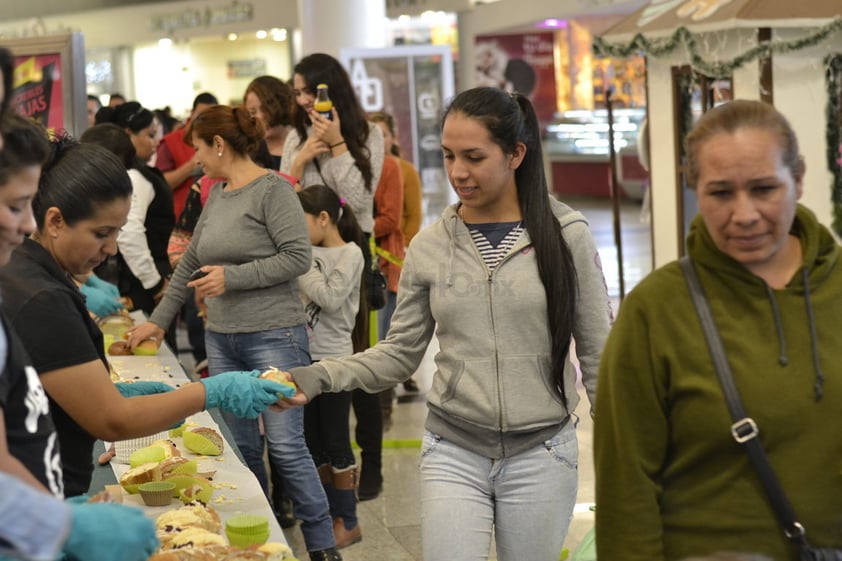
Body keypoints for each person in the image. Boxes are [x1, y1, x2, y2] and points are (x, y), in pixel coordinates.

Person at [271, 86, 612, 561]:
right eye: (449, 155)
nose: (457, 172)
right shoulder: (431, 245)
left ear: (516, 153)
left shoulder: (566, 234)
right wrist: (320, 374)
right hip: (454, 450)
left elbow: (598, 351)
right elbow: (400, 353)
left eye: (473, 157)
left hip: (543, 453)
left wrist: (626, 447)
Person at [593, 100, 842, 561]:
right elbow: (626, 487)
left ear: (800, 178)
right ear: (696, 189)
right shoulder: (656, 311)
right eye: (721, 193)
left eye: (764, 188)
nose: (744, 214)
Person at [0, 135, 289, 498]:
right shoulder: (42, 297)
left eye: (118, 231)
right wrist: (210, 391)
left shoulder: (27, 268)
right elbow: (113, 419)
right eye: (101, 233)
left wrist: (112, 391)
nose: (111, 248)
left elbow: (39, 383)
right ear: (55, 221)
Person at [127, 105, 342, 561]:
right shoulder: (216, 192)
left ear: (219, 145)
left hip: (274, 337)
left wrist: (232, 278)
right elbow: (189, 261)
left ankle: (323, 545)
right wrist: (158, 320)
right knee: (242, 449)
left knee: (285, 447)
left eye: (199, 149)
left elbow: (297, 257)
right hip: (221, 337)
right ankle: (259, 542)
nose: (196, 159)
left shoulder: (274, 191)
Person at [0, 69, 157, 561]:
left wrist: (56, 518)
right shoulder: (36, 294)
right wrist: (62, 523)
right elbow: (110, 419)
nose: (24, 225)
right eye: (13, 206)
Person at [281, 52, 386, 501]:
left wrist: (340, 143)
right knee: (317, 357)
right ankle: (327, 478)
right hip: (306, 254)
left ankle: (373, 471)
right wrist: (301, 158)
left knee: (360, 369)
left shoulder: (369, 133)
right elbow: (284, 199)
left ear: (331, 90)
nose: (304, 100)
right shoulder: (295, 135)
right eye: (299, 91)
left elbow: (360, 201)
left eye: (311, 91)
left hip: (350, 255)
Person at [298, 185, 365, 549]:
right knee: (313, 442)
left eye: (302, 221)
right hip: (303, 360)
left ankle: (349, 520)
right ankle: (327, 515)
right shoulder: (306, 251)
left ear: (324, 218)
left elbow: (330, 296)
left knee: (337, 441)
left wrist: (297, 266)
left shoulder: (351, 254)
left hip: (336, 362)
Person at [84, 109, 176, 318]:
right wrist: (154, 282)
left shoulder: (139, 175)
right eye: (149, 135)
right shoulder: (133, 176)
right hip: (138, 281)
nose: (156, 142)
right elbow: (130, 232)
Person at [370, 110, 422, 395]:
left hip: (395, 256)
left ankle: (399, 376)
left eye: (383, 135)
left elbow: (412, 216)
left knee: (395, 324)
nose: (378, 142)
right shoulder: (367, 168)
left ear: (393, 137)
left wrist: (403, 250)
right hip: (374, 258)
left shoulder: (403, 170)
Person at [156, 92, 218, 219]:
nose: (205, 121)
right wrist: (191, 165)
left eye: (211, 117)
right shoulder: (171, 141)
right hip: (181, 214)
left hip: (214, 213)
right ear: (192, 113)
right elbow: (161, 184)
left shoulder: (220, 141)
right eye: (201, 115)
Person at [244, 75, 295, 170]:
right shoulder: (247, 151)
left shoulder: (298, 144)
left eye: (265, 109)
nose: (260, 117)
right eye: (252, 112)